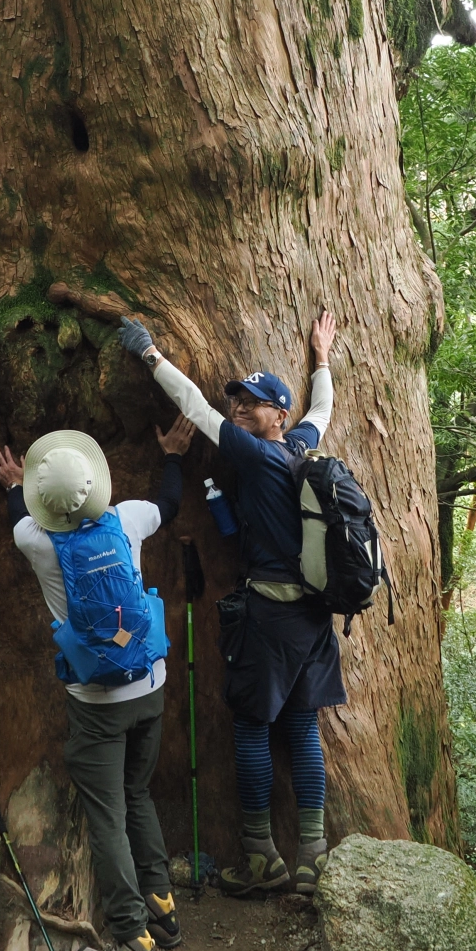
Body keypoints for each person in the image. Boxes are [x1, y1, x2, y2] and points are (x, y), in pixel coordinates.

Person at [116, 311, 338, 897]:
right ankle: (313, 855)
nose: (240, 408)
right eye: (237, 400)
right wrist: (321, 358)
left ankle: (263, 856)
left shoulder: (259, 456)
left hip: (269, 618)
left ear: (277, 416)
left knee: (250, 727)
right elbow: (323, 413)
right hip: (313, 618)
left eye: (255, 402)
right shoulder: (299, 448)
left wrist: (148, 353)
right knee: (301, 726)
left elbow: (193, 405)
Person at [0, 422, 195, 951]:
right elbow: (169, 503)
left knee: (107, 815)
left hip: (96, 702)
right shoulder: (129, 519)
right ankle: (163, 908)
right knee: (137, 792)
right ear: (97, 484)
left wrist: (13, 485)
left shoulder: (36, 541)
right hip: (150, 684)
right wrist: (171, 455)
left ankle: (130, 929)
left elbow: (18, 516)